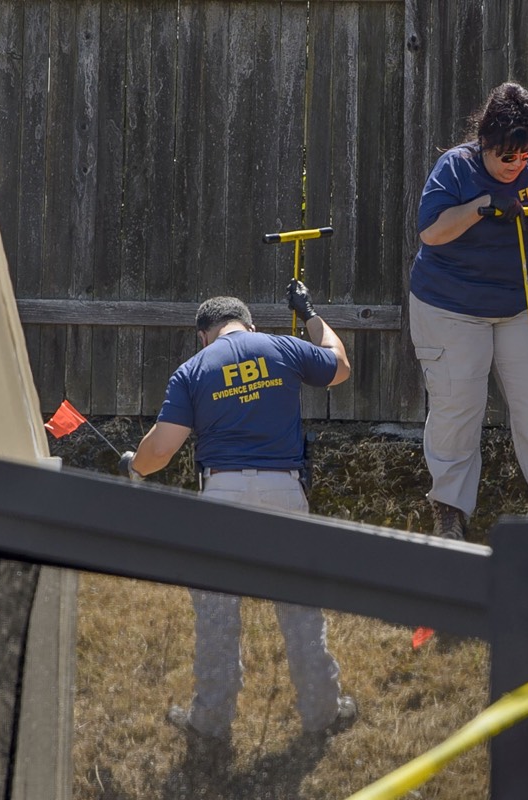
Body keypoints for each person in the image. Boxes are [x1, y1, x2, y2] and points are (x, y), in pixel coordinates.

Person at [118, 280, 358, 758]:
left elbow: (160, 450)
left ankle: (210, 723)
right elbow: (339, 365)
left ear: (203, 335)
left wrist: (133, 465)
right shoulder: (284, 347)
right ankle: (322, 711)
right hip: (285, 490)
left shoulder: (193, 369)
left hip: (222, 494)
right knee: (301, 610)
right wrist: (310, 313)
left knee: (217, 616)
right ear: (248, 324)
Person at [409, 81, 528, 539]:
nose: (516, 165)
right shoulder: (455, 167)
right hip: (450, 306)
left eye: (524, 156)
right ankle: (449, 512)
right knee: (458, 407)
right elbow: (430, 232)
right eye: (506, 157)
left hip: (519, 306)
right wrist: (485, 207)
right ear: (485, 143)